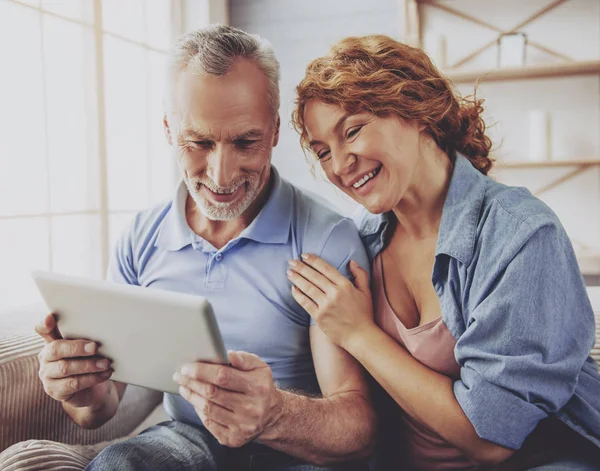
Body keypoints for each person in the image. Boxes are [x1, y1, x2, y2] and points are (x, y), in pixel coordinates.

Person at [34, 25, 375, 471]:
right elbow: (97, 409)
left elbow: (360, 429)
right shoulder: (142, 237)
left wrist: (273, 414)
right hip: (189, 439)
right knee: (119, 464)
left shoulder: (324, 238)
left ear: (274, 131)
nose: (221, 174)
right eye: (199, 142)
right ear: (168, 129)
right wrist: (81, 389)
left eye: (245, 141)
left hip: (296, 450)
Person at [288, 34, 600, 470]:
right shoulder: (358, 242)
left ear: (415, 110)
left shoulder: (521, 234)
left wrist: (360, 334)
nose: (339, 165)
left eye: (353, 131)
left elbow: (491, 437)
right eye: (323, 152)